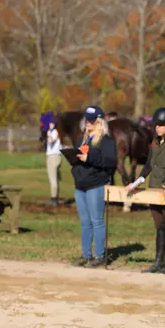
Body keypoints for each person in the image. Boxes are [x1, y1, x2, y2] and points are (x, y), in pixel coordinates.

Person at [125, 107, 165, 275]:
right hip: (154, 190)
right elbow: (148, 166)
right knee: (159, 226)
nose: (157, 128)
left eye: (161, 125)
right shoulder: (154, 142)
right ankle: (159, 261)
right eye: (156, 125)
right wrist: (136, 182)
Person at [70, 106, 116, 268]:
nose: (88, 122)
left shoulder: (106, 141)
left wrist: (89, 158)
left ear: (100, 122)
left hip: (96, 185)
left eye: (92, 120)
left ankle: (99, 256)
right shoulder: (82, 139)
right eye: (87, 119)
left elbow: (110, 162)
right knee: (84, 222)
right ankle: (86, 255)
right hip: (80, 186)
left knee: (97, 221)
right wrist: (74, 167)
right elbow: (77, 160)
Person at [45, 115, 62, 206]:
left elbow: (51, 140)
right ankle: (55, 196)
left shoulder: (54, 132)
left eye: (52, 123)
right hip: (52, 156)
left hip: (54, 157)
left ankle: (53, 198)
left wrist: (48, 136)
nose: (51, 125)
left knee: (53, 178)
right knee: (54, 178)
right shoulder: (51, 131)